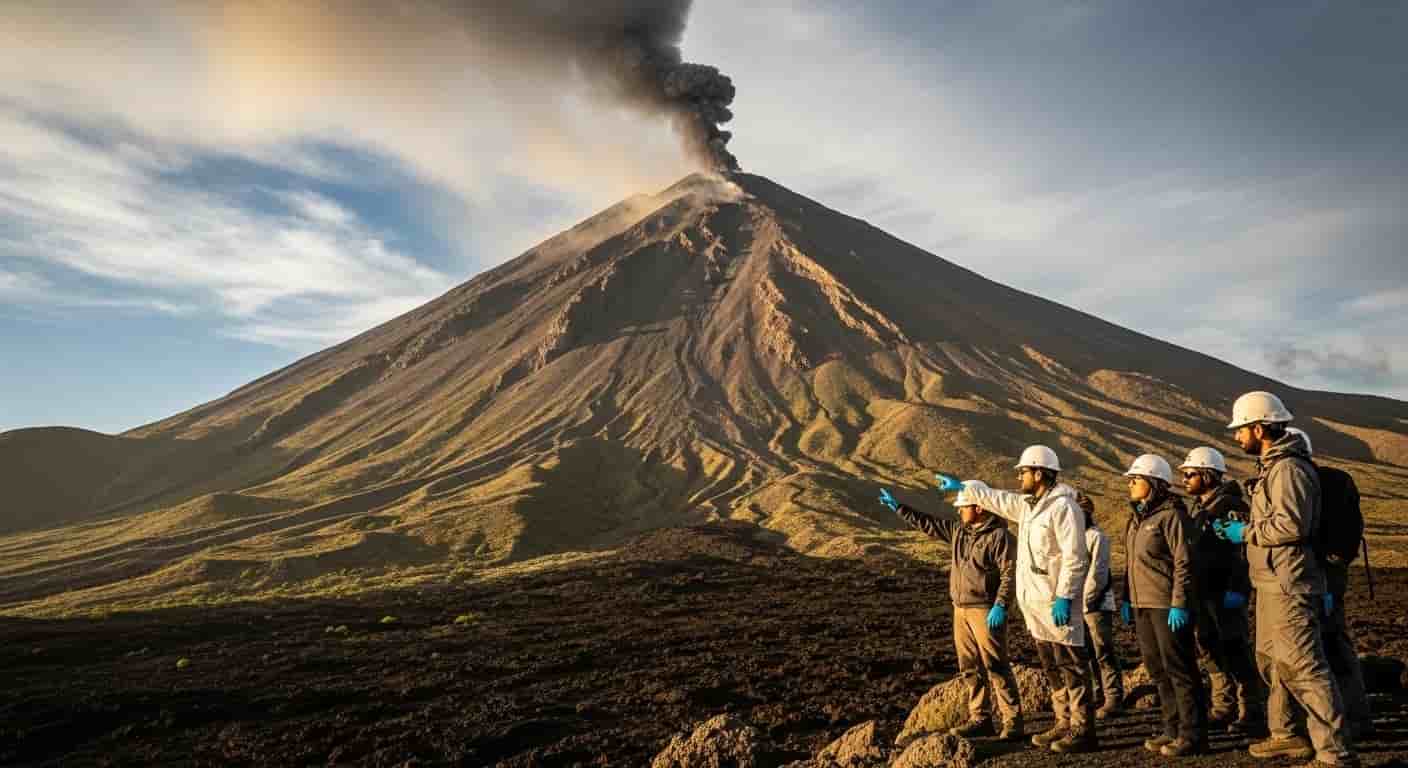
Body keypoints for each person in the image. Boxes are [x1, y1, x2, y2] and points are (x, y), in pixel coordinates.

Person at [1214, 391, 1358, 767]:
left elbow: (1292, 525)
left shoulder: (1289, 469)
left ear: (1260, 428)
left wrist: (1245, 533)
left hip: (1289, 583)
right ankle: (1287, 735)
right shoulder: (1271, 468)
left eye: (1241, 429)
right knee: (1272, 664)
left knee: (1304, 667)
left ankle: (1334, 753)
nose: (1237, 437)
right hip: (1269, 582)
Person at [937, 445, 1095, 754]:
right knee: (1051, 665)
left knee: (1072, 665)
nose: (1019, 476)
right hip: (1035, 602)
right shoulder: (1029, 505)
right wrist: (964, 488)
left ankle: (1083, 728)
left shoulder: (1064, 508)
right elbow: (999, 499)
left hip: (1055, 599)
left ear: (1039, 473)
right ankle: (1063, 722)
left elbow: (1075, 557)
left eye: (1023, 472)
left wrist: (1064, 596)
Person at [880, 483, 1023, 740]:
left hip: (985, 609)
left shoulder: (1000, 537)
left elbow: (1009, 573)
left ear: (979, 508)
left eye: (963, 507)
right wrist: (900, 508)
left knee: (996, 664)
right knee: (969, 666)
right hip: (961, 609)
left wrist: (1001, 604)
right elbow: (929, 524)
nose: (959, 512)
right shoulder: (959, 531)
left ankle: (1013, 721)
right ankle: (980, 717)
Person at [1287, 427, 1373, 741]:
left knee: (1329, 643)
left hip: (1321, 572)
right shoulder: (1326, 480)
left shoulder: (1308, 483)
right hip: (1331, 570)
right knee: (1334, 640)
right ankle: (1354, 713)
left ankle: (1348, 719)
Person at [1120, 453, 1207, 757]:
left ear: (1155, 484)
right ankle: (1171, 728)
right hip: (1143, 604)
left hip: (1167, 605)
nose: (1130, 484)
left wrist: (1179, 603)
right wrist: (1127, 599)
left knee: (1179, 668)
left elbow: (1185, 562)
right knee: (1157, 669)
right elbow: (1132, 564)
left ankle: (1193, 733)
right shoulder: (1137, 518)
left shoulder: (1172, 517)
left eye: (1136, 479)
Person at [1180, 445, 1267, 736]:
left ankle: (1251, 710)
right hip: (1204, 593)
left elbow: (1243, 552)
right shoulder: (1202, 508)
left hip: (1226, 593)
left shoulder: (1232, 507)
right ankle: (1222, 706)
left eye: (1190, 474)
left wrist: (1239, 589)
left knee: (1235, 648)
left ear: (1208, 475)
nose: (1185, 479)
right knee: (1209, 647)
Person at [1076, 491, 1125, 720]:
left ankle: (1113, 697)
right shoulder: (1070, 537)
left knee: (1102, 650)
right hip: (1075, 603)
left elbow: (1098, 574)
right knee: (1084, 652)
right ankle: (1096, 694)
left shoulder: (1096, 537)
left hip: (1096, 604)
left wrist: (1084, 602)